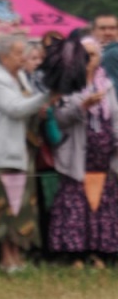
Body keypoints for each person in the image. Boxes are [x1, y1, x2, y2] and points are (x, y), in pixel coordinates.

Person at [0, 34, 51, 272]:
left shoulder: (20, 75)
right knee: (4, 208)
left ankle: (18, 256)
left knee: (20, 206)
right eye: (18, 53)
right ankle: (5, 258)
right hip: (3, 153)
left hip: (21, 151)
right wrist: (46, 97)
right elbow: (16, 109)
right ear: (3, 56)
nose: (23, 58)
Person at [48, 36, 118, 267]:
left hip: (103, 154)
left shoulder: (106, 84)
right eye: (84, 55)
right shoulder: (67, 83)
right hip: (77, 153)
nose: (89, 59)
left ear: (100, 58)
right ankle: (75, 252)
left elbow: (115, 117)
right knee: (76, 200)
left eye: (93, 54)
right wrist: (82, 106)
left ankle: (99, 250)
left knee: (102, 200)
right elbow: (60, 119)